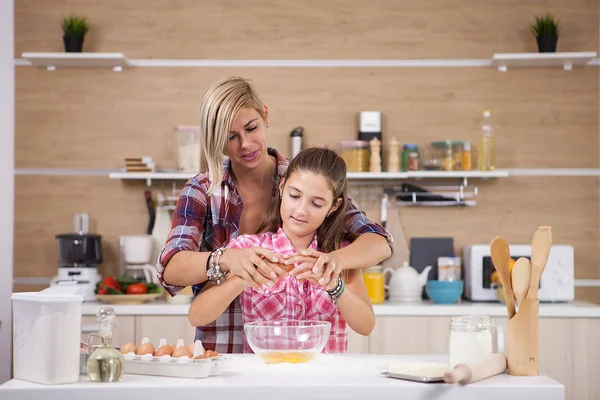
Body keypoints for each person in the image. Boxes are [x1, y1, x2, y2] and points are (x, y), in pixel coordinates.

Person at [157, 76, 392, 353]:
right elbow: (171, 269)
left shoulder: (304, 178)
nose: (245, 144)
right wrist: (229, 260)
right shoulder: (203, 190)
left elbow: (378, 241)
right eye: (231, 137)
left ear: (264, 115)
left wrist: (332, 264)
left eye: (251, 128)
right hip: (222, 353)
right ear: (216, 141)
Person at [189, 148, 375, 353]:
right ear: (282, 186)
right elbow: (197, 315)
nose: (301, 210)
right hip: (263, 381)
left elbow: (366, 326)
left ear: (333, 207)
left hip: (324, 381)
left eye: (316, 203)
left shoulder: (341, 255)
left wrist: (335, 286)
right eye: (295, 195)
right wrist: (244, 278)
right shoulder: (247, 249)